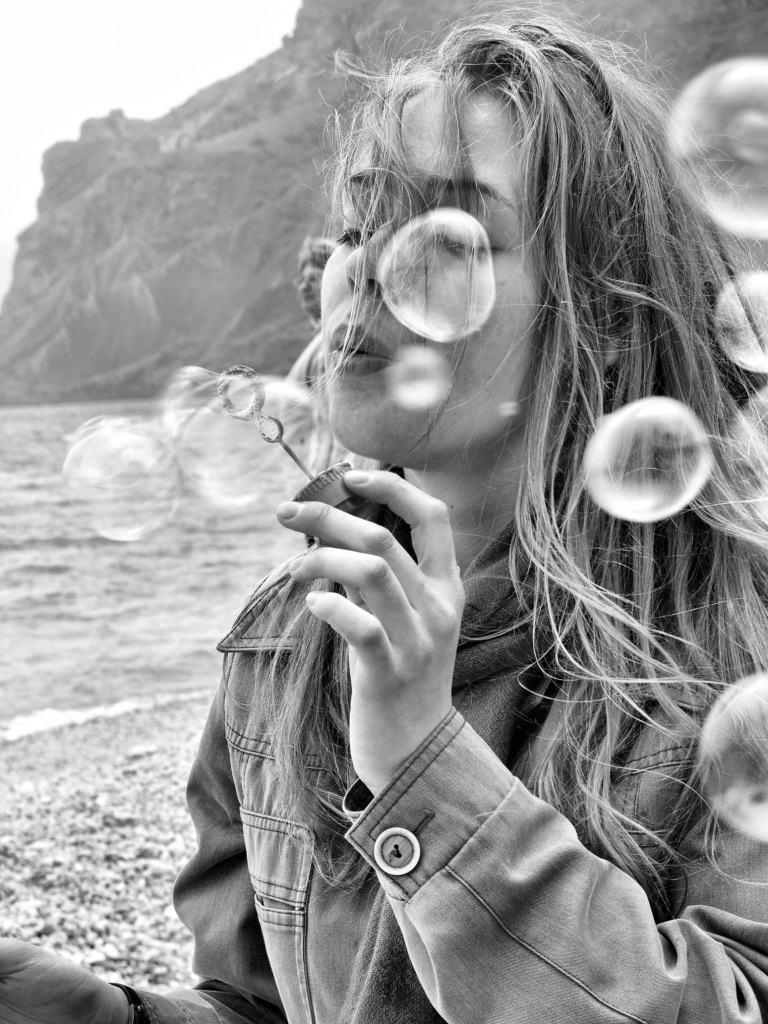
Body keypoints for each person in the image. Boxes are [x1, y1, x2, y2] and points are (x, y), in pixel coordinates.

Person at [3, 14, 768, 1024]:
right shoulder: (285, 641)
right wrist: (115, 1017)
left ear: (606, 314)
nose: (366, 266)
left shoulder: (728, 663)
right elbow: (261, 1002)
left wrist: (422, 758)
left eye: (445, 235)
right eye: (361, 226)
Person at [284, 235, 348, 475]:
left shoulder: (333, 344)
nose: (303, 287)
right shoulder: (321, 344)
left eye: (312, 278)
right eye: (300, 280)